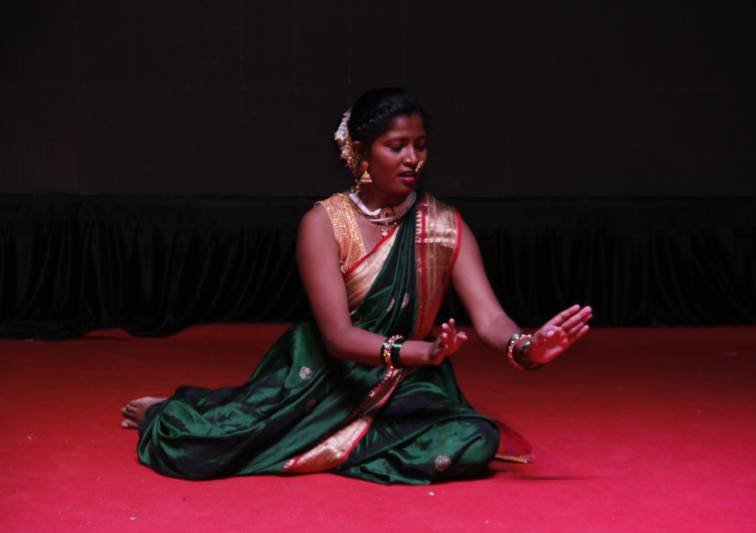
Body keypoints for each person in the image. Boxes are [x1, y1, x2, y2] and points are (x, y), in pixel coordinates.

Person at [121, 88, 592, 484]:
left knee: (474, 440)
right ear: (362, 152)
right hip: (325, 378)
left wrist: (526, 346)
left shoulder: (444, 225)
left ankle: (330, 445)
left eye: (421, 145)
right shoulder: (324, 223)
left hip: (409, 383)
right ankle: (172, 413)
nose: (413, 158)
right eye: (397, 146)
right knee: (199, 448)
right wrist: (419, 352)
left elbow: (489, 317)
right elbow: (338, 338)